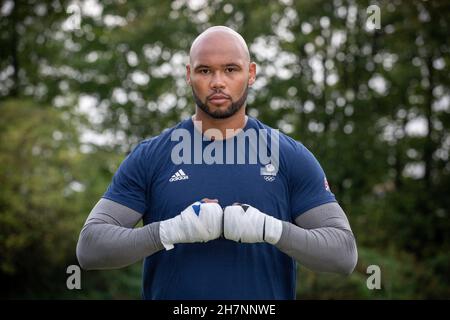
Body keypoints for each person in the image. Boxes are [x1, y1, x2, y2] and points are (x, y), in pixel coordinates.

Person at [76, 26, 358, 300]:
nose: (218, 82)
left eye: (231, 69)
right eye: (205, 70)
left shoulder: (289, 156)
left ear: (251, 74)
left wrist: (269, 229)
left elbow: (343, 254)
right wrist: (171, 230)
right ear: (189, 75)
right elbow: (90, 248)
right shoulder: (151, 156)